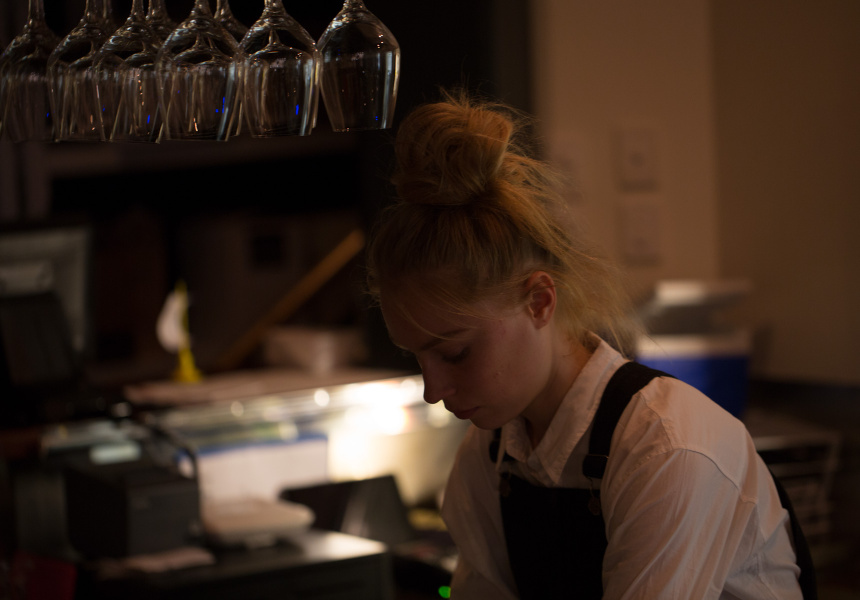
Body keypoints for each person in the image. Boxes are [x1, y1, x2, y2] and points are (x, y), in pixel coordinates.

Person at [365, 91, 806, 599]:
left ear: (539, 301)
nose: (433, 390)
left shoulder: (667, 448)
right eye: (417, 356)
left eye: (455, 353)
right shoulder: (488, 456)